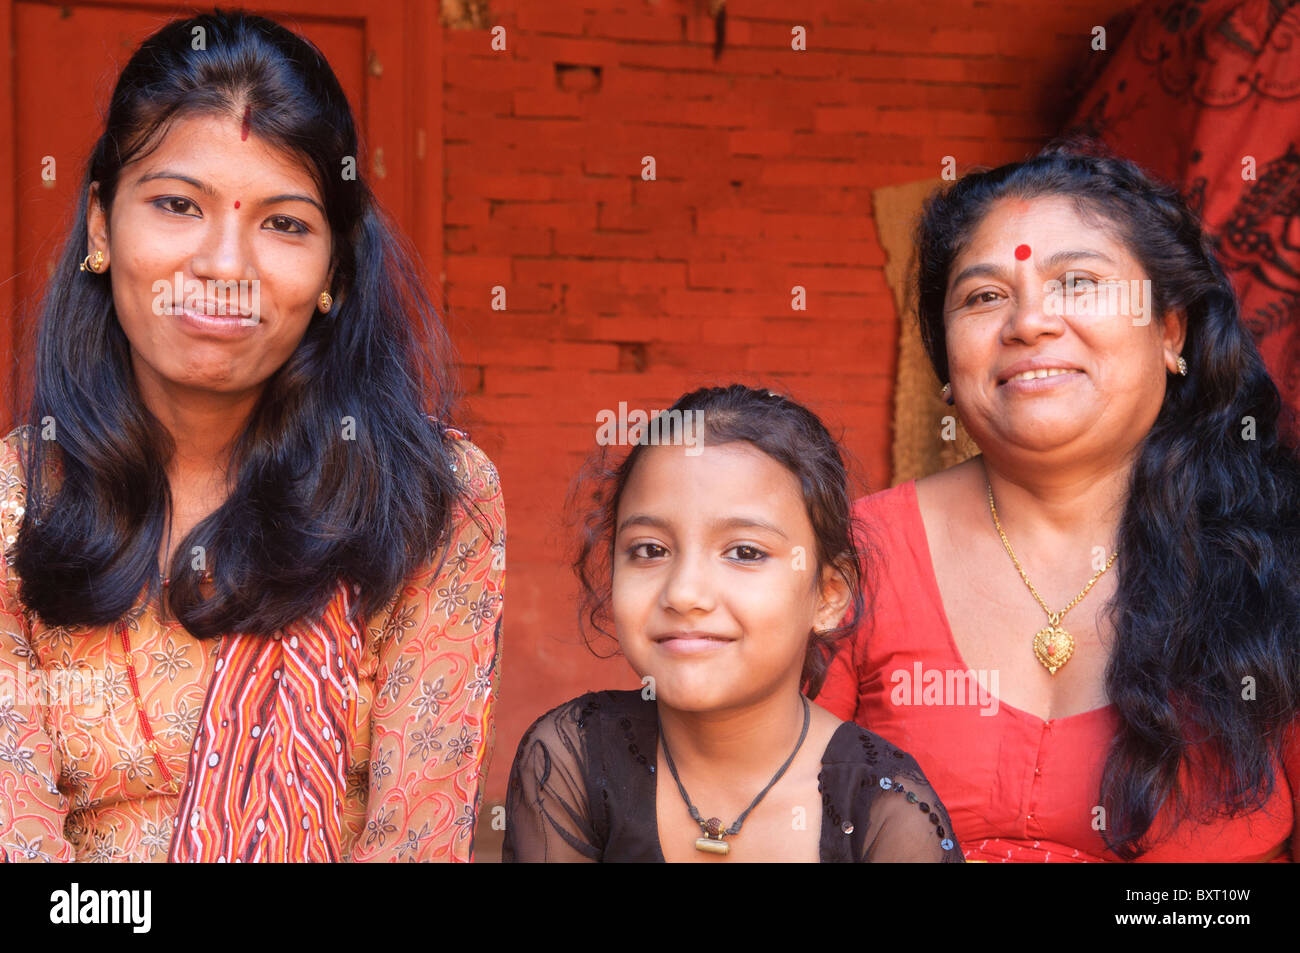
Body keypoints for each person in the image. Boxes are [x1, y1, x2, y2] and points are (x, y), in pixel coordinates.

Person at [0, 10, 504, 862]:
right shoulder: (17, 503)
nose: (226, 267)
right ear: (99, 226)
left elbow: (417, 837)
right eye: (174, 204)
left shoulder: (426, 496)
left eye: (284, 223)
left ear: (335, 272)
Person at [817, 144, 1300, 861]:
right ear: (947, 367)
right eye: (984, 296)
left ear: (1171, 333)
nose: (1030, 323)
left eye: (1077, 282)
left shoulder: (1272, 563)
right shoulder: (853, 559)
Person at [502, 385, 960, 862]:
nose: (683, 593)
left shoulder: (886, 814)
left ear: (828, 595)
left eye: (745, 552)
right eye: (650, 550)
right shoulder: (570, 759)